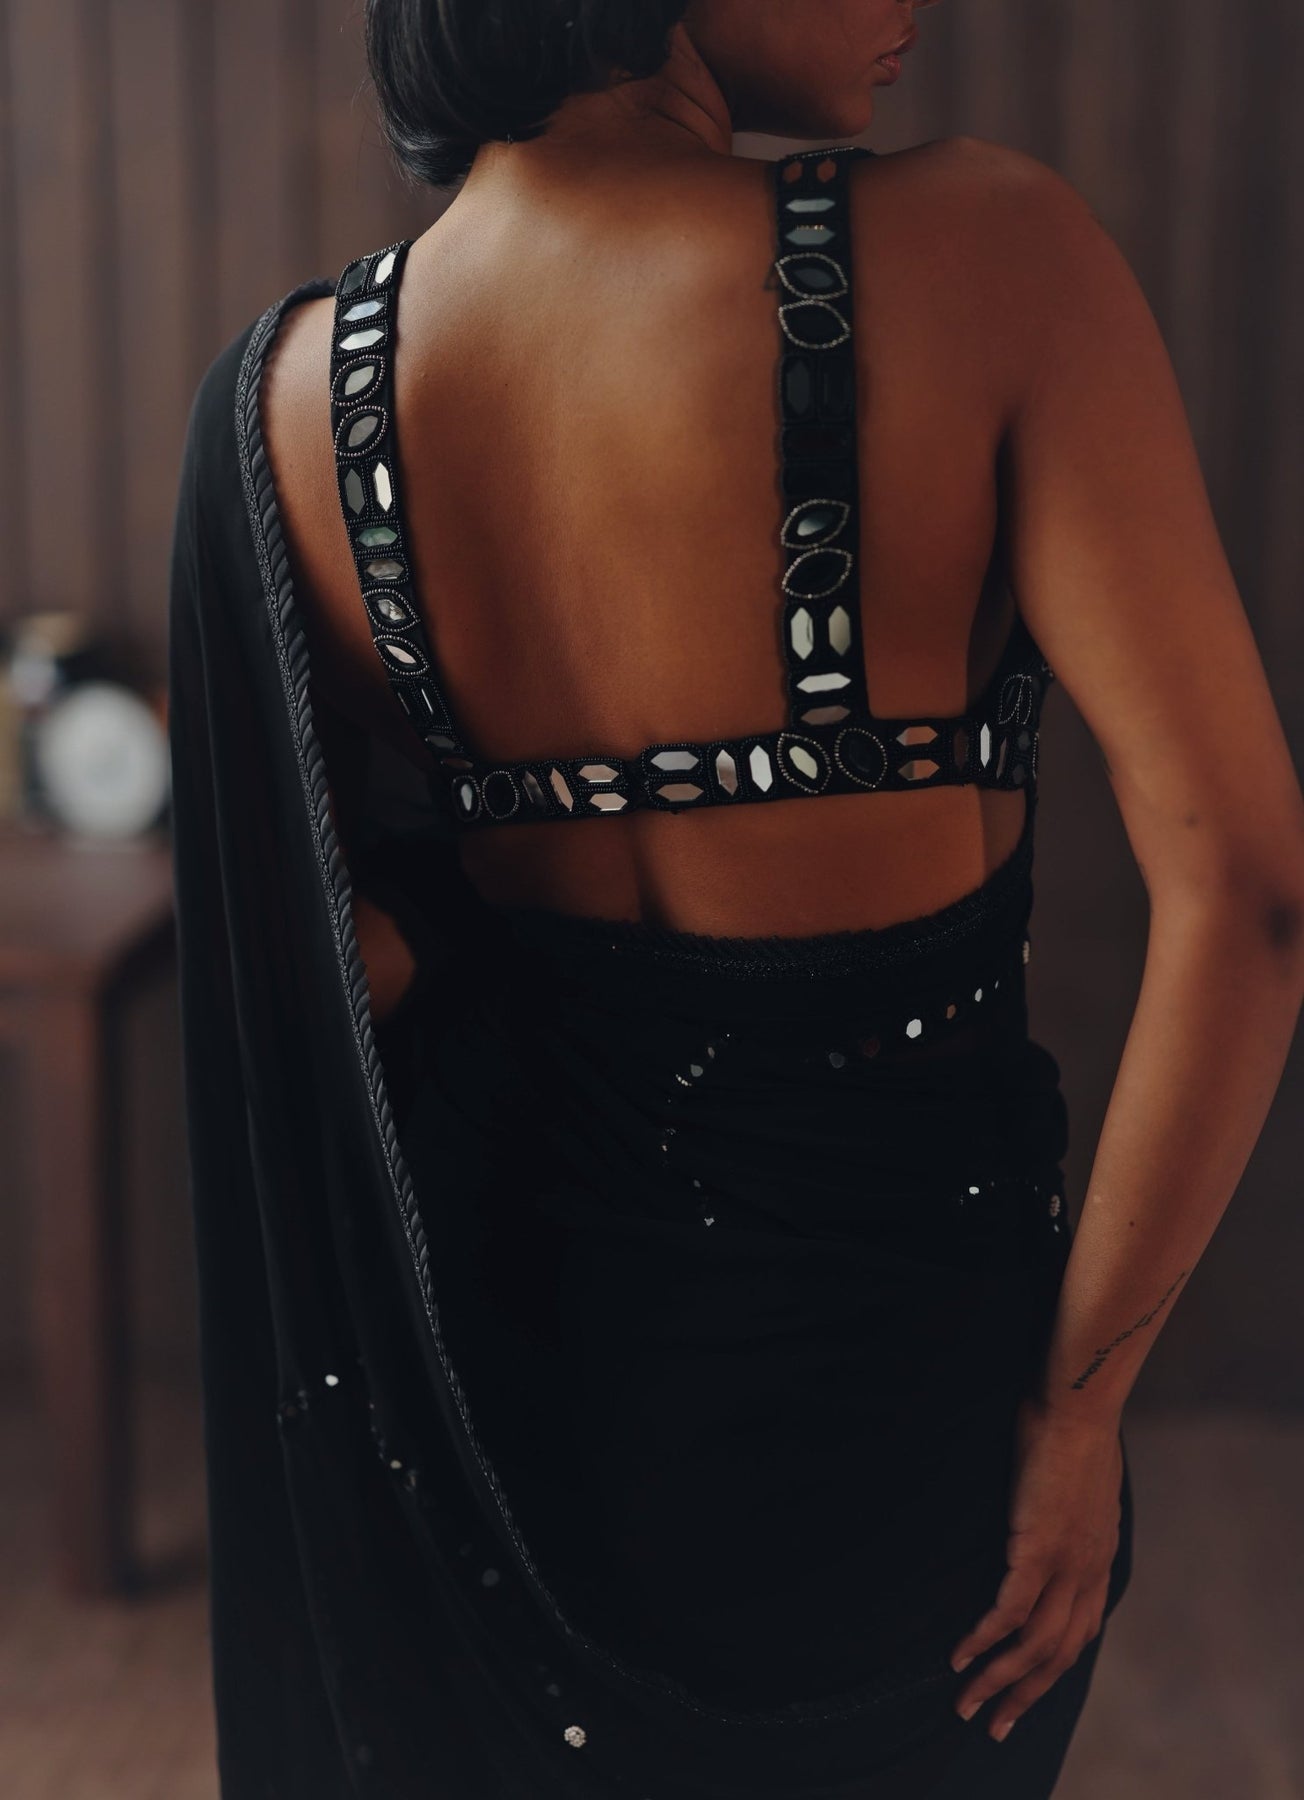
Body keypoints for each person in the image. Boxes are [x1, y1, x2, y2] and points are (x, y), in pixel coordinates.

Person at [167, 2, 1304, 1795]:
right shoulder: (992, 251)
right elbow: (1248, 893)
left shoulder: (289, 399)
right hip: (905, 1428)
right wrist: (1080, 1413)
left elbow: (333, 990)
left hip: (502, 1426)